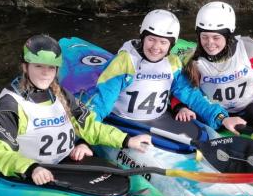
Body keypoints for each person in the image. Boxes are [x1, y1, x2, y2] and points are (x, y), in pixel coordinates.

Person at [0, 34, 151, 186]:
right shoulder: (8, 106)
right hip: (31, 173)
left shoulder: (60, 93)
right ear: (25, 67)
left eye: (51, 68)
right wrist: (32, 168)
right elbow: (1, 155)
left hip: (67, 162)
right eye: (38, 66)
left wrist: (127, 140)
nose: (45, 74)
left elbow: (89, 126)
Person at [89, 9, 245, 135]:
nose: (156, 47)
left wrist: (222, 117)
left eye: (163, 42)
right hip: (123, 121)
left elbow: (192, 95)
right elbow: (101, 102)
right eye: (151, 39)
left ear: (171, 45)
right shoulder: (124, 63)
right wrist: (85, 139)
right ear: (143, 37)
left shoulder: (173, 64)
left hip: (158, 120)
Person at [175, 1, 253, 125]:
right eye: (204, 37)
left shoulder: (251, 51)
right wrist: (181, 107)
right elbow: (182, 90)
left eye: (216, 37)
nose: (210, 43)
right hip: (211, 114)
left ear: (227, 36)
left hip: (250, 108)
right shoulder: (192, 61)